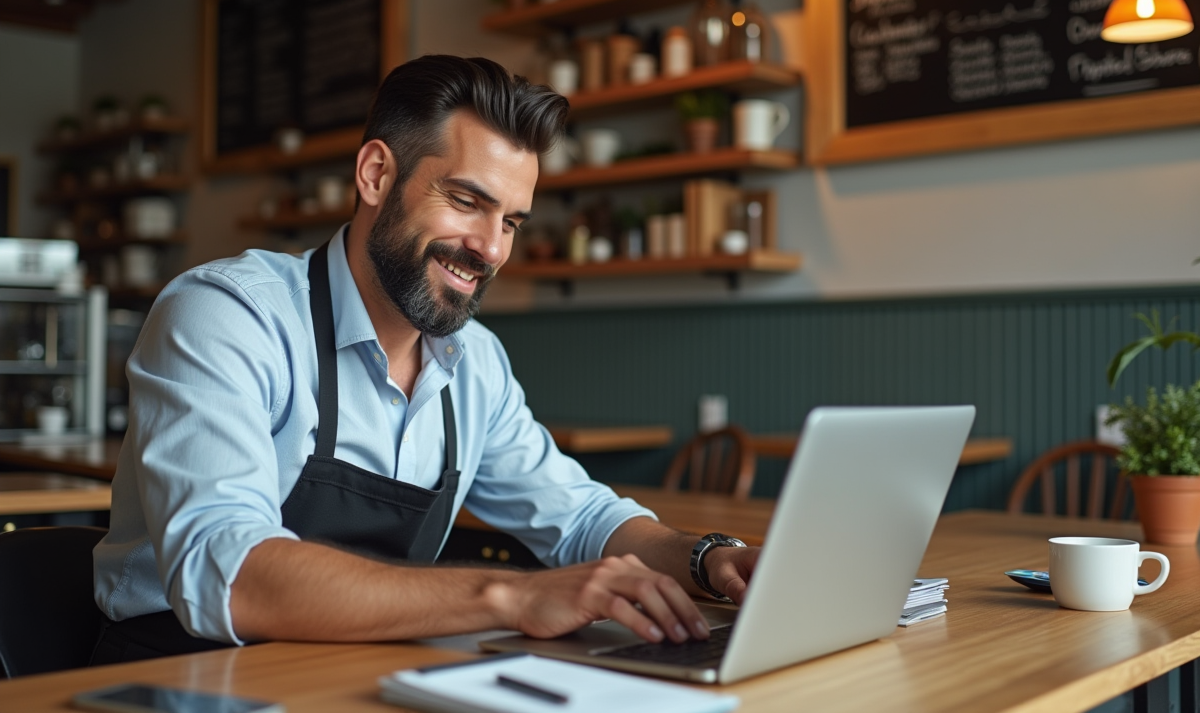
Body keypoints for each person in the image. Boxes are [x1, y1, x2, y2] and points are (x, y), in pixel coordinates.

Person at [91, 55, 759, 665]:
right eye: (467, 202)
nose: (492, 249)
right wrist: (511, 597)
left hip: (364, 669)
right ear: (377, 174)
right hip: (179, 671)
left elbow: (581, 517)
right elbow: (225, 576)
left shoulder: (476, 366)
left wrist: (706, 559)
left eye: (512, 222)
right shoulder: (228, 315)